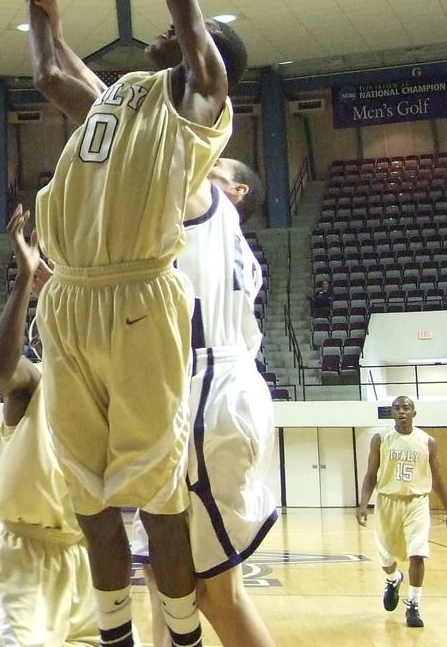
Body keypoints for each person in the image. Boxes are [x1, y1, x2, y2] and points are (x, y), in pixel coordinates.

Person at [11, 0, 240, 646]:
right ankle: (115, 636)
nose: (172, 27)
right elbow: (49, 74)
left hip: (141, 297)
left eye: (192, 31)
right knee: (88, 493)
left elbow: (182, 4)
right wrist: (41, 12)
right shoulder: (124, 96)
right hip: (69, 298)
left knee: (158, 496)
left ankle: (181, 636)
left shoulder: (200, 103)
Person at [131, 159, 277, 647]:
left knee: (218, 594)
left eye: (214, 166)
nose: (203, 166)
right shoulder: (222, 240)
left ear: (236, 191)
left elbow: (170, 151)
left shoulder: (213, 207)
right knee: (163, 574)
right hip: (198, 389)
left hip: (211, 387)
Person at [0, 206, 99, 647]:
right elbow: (0, 370)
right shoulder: (34, 381)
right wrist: (24, 281)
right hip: (24, 555)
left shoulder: (103, 387)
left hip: (89, 550)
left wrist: (70, 294)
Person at [356, 395, 447, 629]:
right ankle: (393, 580)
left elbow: (438, 479)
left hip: (417, 501)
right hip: (387, 501)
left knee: (418, 552)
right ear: (392, 413)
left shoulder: (427, 441)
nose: (401, 411)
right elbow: (371, 474)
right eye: (397, 408)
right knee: (386, 558)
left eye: (406, 408)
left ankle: (413, 605)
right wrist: (363, 504)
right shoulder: (380, 439)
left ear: (414, 412)